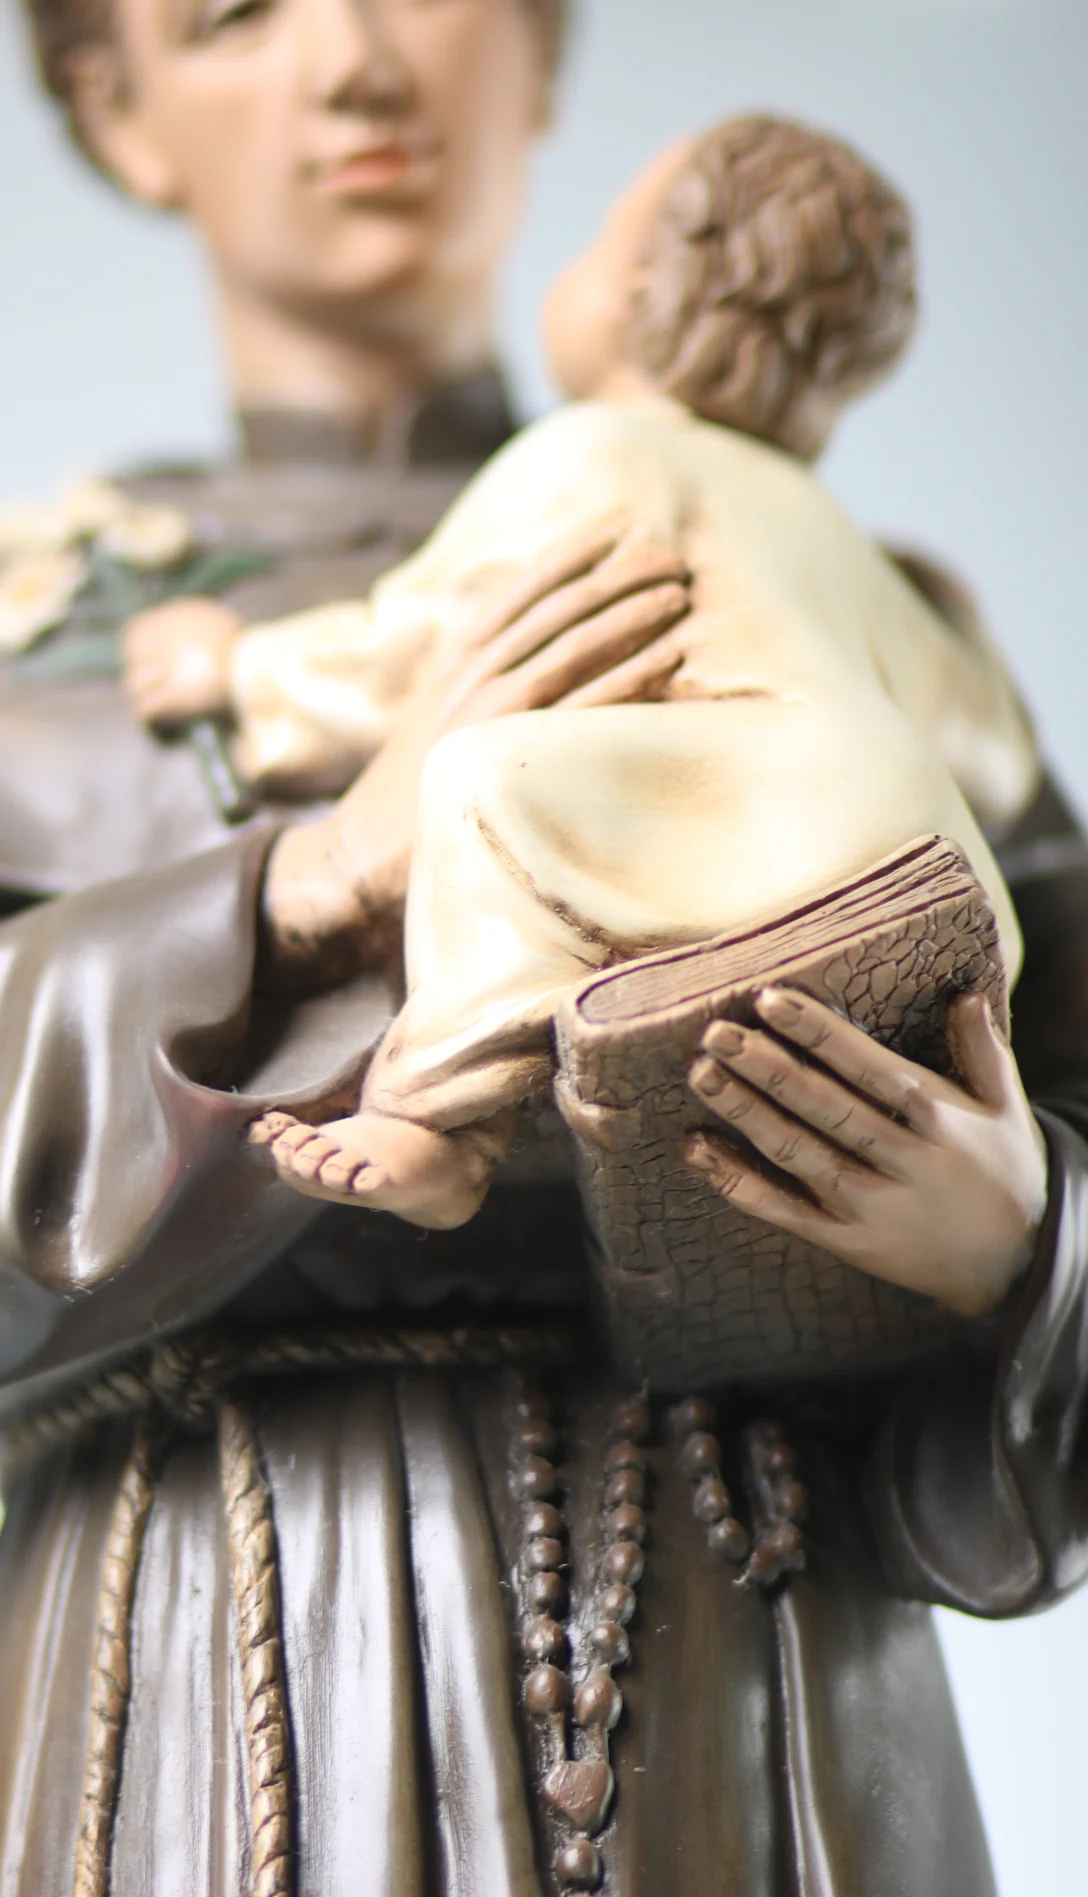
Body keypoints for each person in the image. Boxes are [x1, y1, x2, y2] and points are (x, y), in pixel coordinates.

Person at [1, 13, 1088, 1897]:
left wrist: (1023, 1234)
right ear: (116, 105)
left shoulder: (812, 590)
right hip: (205, 1666)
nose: (355, 63)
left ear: (545, 49)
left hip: (749, 1673)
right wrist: (310, 879)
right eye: (233, 11)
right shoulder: (39, 650)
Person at [122, 117, 1031, 1234]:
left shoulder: (588, 449)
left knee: (481, 779)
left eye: (605, 235)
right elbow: (988, 750)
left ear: (639, 290)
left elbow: (418, 641)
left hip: (732, 807)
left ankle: (436, 1121)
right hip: (915, 854)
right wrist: (958, 621)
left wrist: (239, 669)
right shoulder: (835, 529)